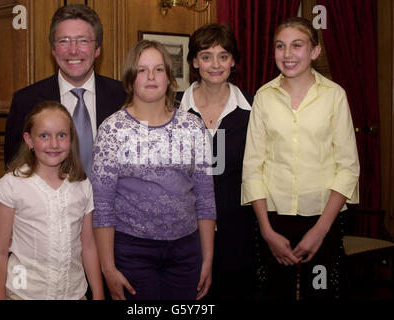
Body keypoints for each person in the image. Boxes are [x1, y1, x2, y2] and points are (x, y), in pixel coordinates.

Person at [241, 17, 360, 300]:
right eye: (280, 46)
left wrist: (320, 230)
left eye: (297, 45)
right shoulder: (264, 97)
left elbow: (348, 168)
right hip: (274, 220)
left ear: (314, 51)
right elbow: (252, 168)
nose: (287, 54)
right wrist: (267, 232)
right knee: (275, 293)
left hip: (323, 219)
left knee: (320, 292)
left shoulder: (334, 96)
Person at [91, 40, 216, 300]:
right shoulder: (112, 129)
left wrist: (208, 258)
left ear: (170, 78)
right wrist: (107, 267)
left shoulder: (193, 127)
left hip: (186, 252)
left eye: (158, 70)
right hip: (132, 252)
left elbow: (205, 198)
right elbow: (102, 206)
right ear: (130, 78)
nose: (151, 77)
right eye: (141, 70)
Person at [0, 101, 104, 300]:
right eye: (44, 136)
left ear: (71, 139)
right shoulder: (11, 186)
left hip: (74, 295)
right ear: (29, 140)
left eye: (61, 135)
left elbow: (89, 246)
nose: (54, 144)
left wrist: (99, 293)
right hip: (23, 293)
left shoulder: (82, 185)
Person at [177, 23, 255, 300]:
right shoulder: (172, 110)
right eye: (206, 56)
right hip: (185, 234)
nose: (215, 64)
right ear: (195, 61)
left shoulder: (254, 109)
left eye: (223, 56)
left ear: (233, 61)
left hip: (240, 233)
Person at [4, 4, 126, 176]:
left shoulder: (125, 98)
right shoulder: (25, 101)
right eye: (64, 41)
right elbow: (14, 166)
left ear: (97, 49)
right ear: (53, 49)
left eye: (83, 40)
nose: (73, 50)